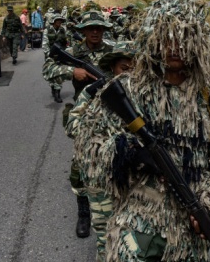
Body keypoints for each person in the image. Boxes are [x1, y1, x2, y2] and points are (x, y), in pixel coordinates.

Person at [77, 0, 210, 261]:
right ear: (152, 39)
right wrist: (127, 151)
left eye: (183, 37)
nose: (174, 46)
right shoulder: (128, 90)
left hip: (188, 231)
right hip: (136, 221)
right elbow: (88, 153)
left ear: (198, 42)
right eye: (166, 37)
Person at [42, 10, 114, 238]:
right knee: (81, 165)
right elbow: (47, 69)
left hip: (112, 117)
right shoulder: (74, 52)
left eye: (99, 28)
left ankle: (111, 209)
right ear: (83, 30)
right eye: (91, 28)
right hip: (83, 117)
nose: (95, 32)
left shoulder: (113, 52)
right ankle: (84, 212)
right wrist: (72, 70)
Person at [67, 41, 136, 262]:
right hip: (102, 179)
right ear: (113, 69)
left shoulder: (147, 97)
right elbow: (73, 128)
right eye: (124, 68)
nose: (129, 74)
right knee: (106, 240)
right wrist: (89, 95)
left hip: (136, 181)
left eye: (135, 69)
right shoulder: (95, 94)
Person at [42, 14, 68, 103]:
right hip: (50, 56)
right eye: (57, 20)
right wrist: (49, 55)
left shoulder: (62, 30)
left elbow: (65, 42)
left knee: (59, 74)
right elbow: (45, 44)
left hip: (60, 56)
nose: (59, 22)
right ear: (53, 21)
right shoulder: (47, 30)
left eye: (60, 20)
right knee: (51, 74)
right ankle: (53, 87)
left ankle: (57, 93)